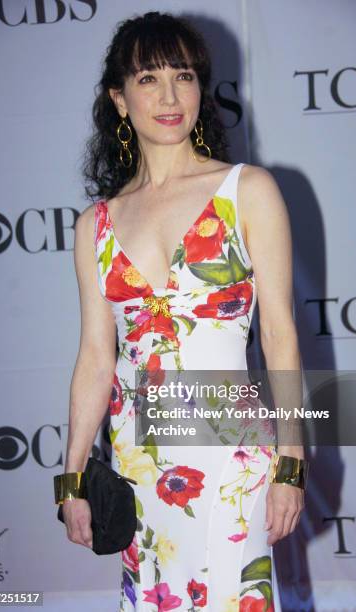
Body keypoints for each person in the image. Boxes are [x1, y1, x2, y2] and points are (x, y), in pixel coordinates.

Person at [55, 11, 308, 611]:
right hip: (139, 460)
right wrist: (71, 480)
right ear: (119, 99)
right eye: (147, 79)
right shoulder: (96, 225)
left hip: (230, 455)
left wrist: (291, 464)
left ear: (201, 88)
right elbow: (95, 356)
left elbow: (279, 336)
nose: (169, 96)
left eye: (184, 75)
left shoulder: (248, 191)